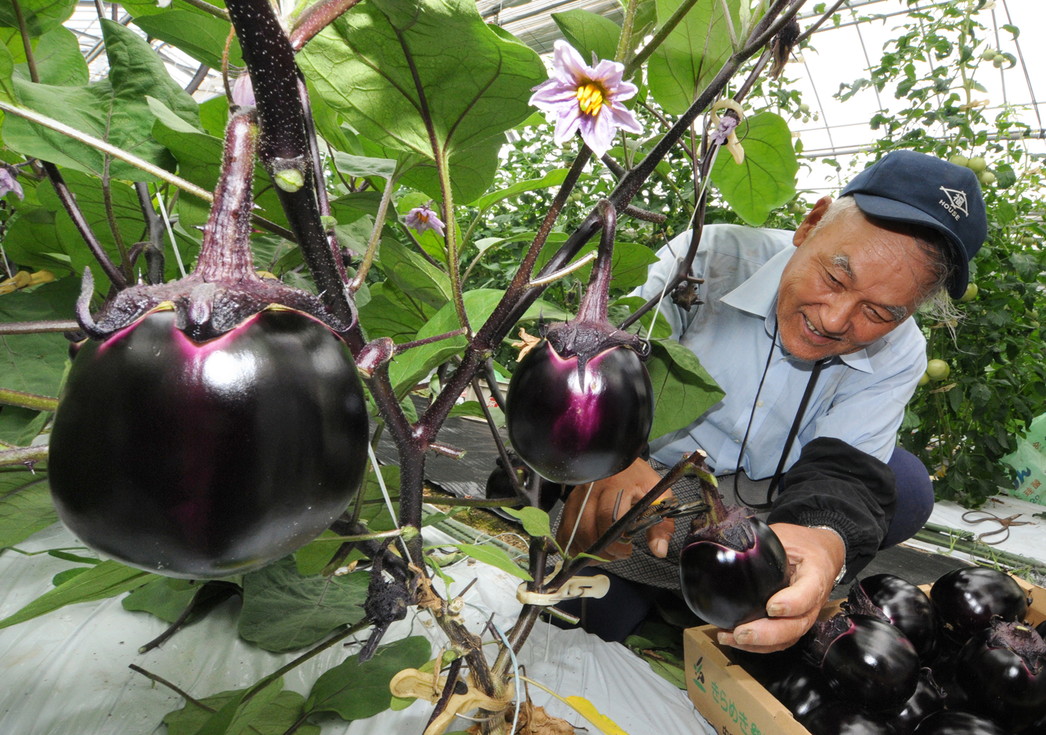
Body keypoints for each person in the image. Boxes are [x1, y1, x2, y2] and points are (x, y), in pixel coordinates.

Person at [554, 150, 988, 651]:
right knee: (575, 626)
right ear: (812, 223)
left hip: (773, 499)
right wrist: (611, 455)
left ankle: (692, 579)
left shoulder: (902, 349)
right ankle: (665, 576)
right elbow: (602, 367)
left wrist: (822, 540)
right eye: (834, 278)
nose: (834, 320)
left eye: (879, 311)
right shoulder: (707, 263)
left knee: (905, 486)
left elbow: (847, 471)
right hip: (656, 479)